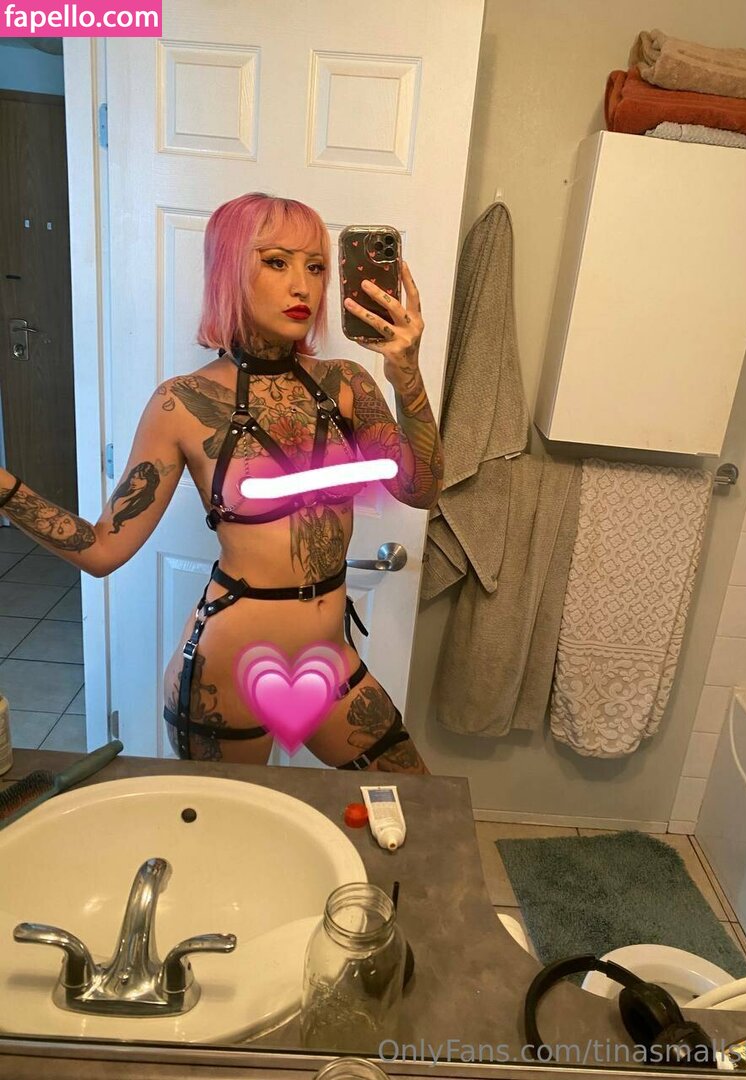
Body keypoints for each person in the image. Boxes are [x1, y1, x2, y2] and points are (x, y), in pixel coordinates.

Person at [0, 193, 443, 772]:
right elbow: (103, 549)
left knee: (411, 796)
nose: (303, 287)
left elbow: (421, 489)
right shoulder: (182, 403)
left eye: (315, 266)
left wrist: (407, 375)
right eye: (277, 262)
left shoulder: (348, 383)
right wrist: (5, 489)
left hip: (328, 661)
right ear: (230, 269)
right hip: (225, 673)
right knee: (232, 822)